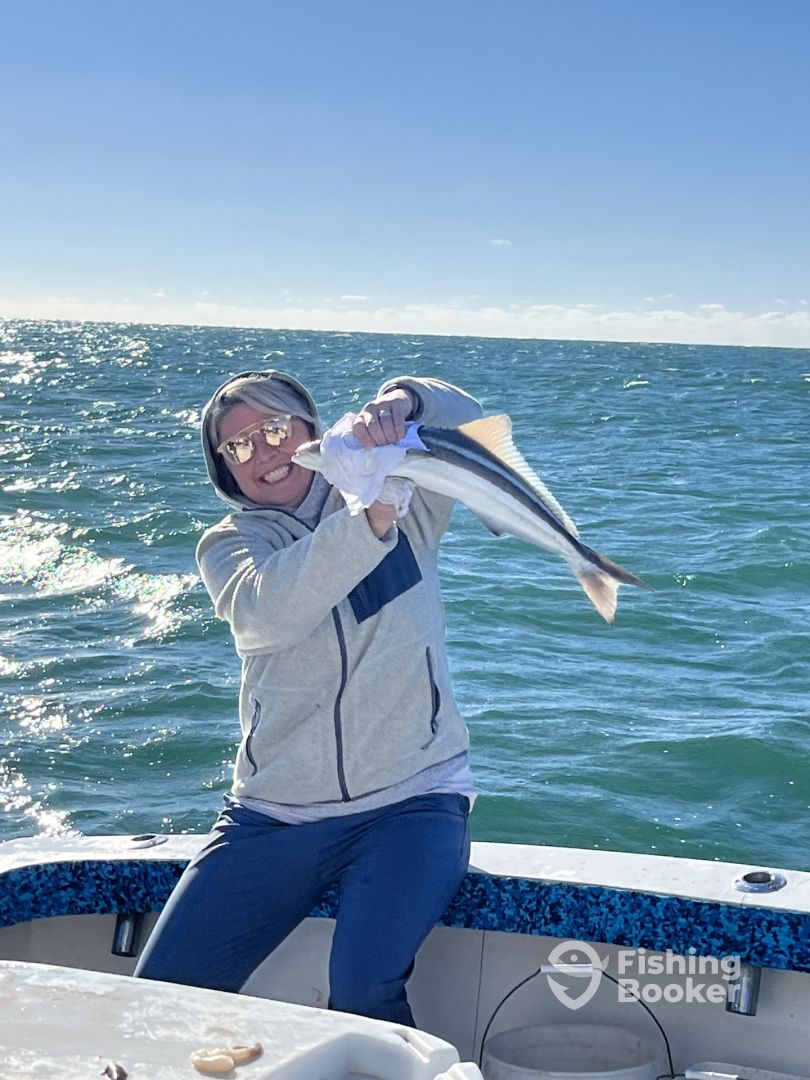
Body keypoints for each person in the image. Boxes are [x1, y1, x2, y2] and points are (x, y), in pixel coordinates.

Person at [133, 368, 483, 1027]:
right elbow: (267, 613)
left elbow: (471, 420)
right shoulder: (231, 544)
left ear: (311, 430)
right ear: (224, 468)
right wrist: (367, 519)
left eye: (275, 429)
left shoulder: (408, 493)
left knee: (363, 994)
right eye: (238, 446)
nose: (262, 453)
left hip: (413, 800)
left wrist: (405, 398)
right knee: (160, 995)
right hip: (274, 814)